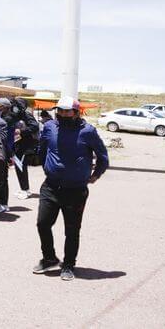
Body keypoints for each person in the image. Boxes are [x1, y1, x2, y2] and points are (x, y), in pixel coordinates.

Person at [34, 97, 109, 281]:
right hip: (50, 186)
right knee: (43, 224)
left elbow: (103, 156)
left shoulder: (88, 131)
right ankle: (49, 258)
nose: (62, 114)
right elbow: (42, 150)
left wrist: (96, 174)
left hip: (75, 190)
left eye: (67, 111)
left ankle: (68, 265)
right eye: (60, 110)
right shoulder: (50, 127)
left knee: (72, 230)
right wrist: (48, 167)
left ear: (76, 112)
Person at [1, 97, 40, 200]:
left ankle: (25, 190)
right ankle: (23, 188)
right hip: (18, 144)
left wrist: (21, 131)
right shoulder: (15, 115)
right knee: (19, 166)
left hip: (26, 144)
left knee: (21, 166)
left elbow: (34, 126)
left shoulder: (26, 114)